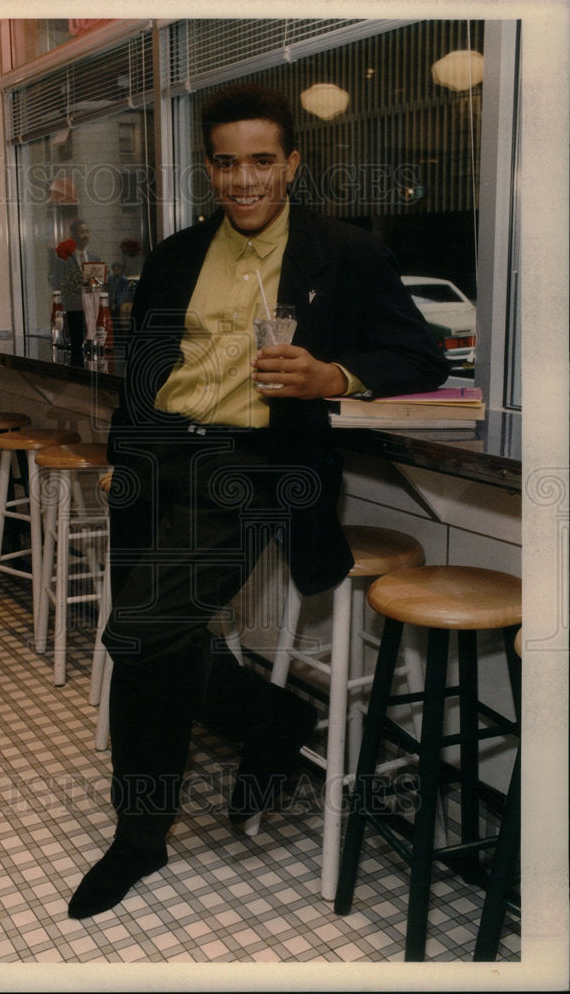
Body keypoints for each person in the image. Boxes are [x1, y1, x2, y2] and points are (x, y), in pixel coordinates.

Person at [67, 84, 450, 920]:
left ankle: (140, 838)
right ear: (210, 168)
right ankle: (275, 717)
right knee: (155, 638)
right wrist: (123, 459)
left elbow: (421, 356)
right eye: (228, 163)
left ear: (292, 164)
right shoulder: (175, 254)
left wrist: (334, 375)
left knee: (135, 636)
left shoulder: (342, 251)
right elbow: (144, 371)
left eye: (262, 161)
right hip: (160, 458)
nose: (245, 180)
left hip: (252, 464)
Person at [52, 218, 101, 355]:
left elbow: (98, 284)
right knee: (75, 348)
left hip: (91, 311)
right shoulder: (63, 259)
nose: (85, 235)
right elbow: (56, 282)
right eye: (81, 232)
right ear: (73, 235)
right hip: (72, 309)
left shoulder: (95, 258)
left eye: (87, 232)